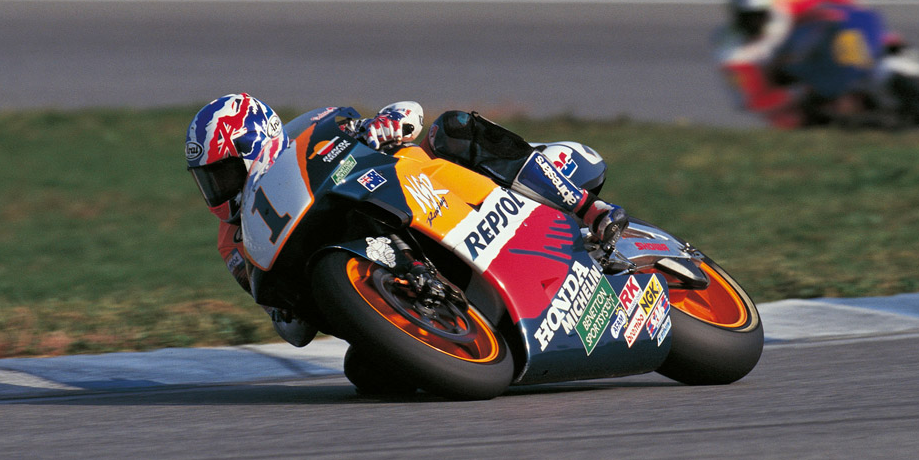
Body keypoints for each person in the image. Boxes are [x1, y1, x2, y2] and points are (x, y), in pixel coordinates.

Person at [185, 93, 628, 347]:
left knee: (452, 127)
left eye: (223, 175)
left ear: (257, 145)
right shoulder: (233, 242)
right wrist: (284, 306)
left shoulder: (308, 140)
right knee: (368, 375)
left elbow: (409, 112)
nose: (218, 192)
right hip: (388, 298)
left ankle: (587, 208)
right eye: (208, 182)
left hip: (436, 193)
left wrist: (384, 125)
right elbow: (293, 331)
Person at [712, 0, 866, 128]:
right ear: (735, 14)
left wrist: (849, 12)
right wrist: (801, 91)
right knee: (788, 120)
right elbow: (754, 100)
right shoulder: (728, 50)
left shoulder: (783, 5)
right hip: (786, 89)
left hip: (814, 58)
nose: (754, 21)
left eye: (760, 14)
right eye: (747, 16)